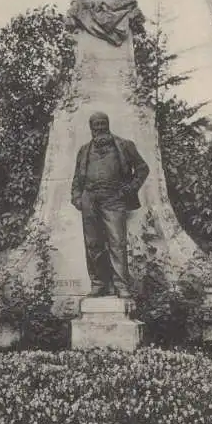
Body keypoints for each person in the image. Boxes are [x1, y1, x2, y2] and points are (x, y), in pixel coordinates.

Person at [71, 111, 149, 297]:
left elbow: (142, 169)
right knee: (93, 243)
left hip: (114, 197)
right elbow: (76, 178)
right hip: (89, 198)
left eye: (102, 123)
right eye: (96, 125)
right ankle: (98, 284)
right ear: (91, 128)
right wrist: (76, 197)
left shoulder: (124, 145)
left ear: (108, 124)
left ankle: (121, 285)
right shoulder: (84, 150)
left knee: (117, 242)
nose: (99, 128)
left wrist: (130, 189)